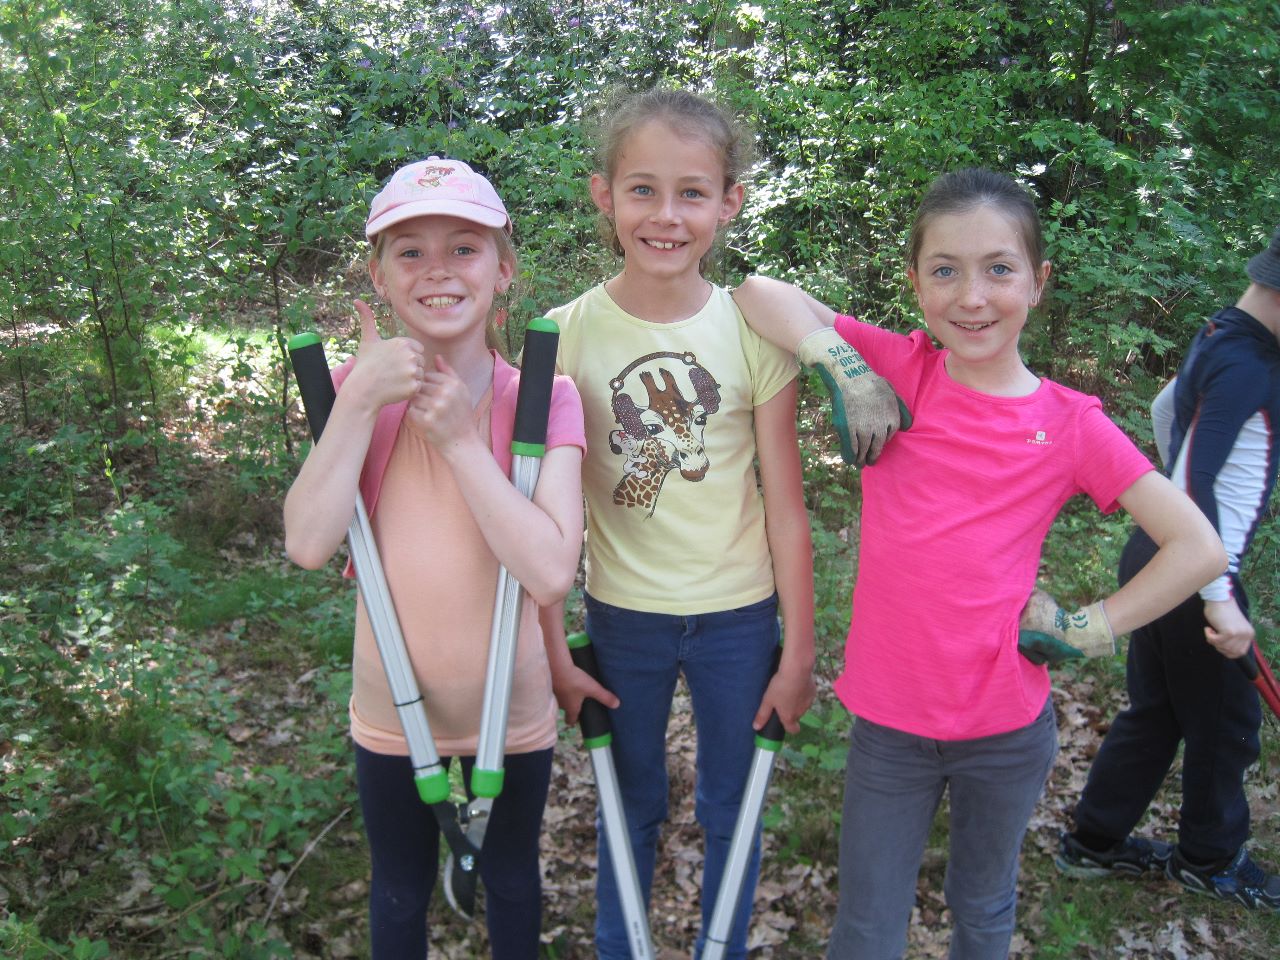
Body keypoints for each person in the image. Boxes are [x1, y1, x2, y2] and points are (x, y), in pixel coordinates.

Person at [731, 167, 1227, 959]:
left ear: (1038, 282)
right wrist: (843, 363)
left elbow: (1198, 546)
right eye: (945, 270)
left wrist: (1091, 627)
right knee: (865, 926)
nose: (972, 296)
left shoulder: (1069, 424)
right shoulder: (900, 369)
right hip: (890, 723)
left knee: (984, 908)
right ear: (916, 284)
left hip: (1005, 726)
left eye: (999, 268)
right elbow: (756, 290)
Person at [536, 88, 817, 960]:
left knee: (735, 803)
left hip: (740, 615)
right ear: (603, 195)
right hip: (624, 615)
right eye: (643, 190)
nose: (667, 215)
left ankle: (721, 947)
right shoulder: (562, 338)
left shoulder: (752, 331)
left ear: (729, 202)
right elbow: (538, 516)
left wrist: (800, 649)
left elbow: (786, 500)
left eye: (693, 192)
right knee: (632, 803)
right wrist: (555, 650)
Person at [282, 157, 586, 958]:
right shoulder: (347, 389)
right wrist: (357, 401)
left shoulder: (545, 395)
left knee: (515, 882)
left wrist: (458, 441)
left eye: (465, 247)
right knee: (398, 888)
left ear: (505, 270)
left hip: (511, 716)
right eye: (409, 252)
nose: (438, 270)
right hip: (391, 715)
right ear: (377, 276)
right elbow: (310, 543)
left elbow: (552, 572)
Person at [1056, 225, 1280, 911]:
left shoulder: (1223, 333)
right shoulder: (1252, 365)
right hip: (1192, 574)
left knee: (1157, 712)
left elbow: (1164, 409)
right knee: (1225, 721)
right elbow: (1195, 481)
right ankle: (1211, 860)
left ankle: (1093, 843)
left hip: (1159, 554)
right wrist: (1218, 598)